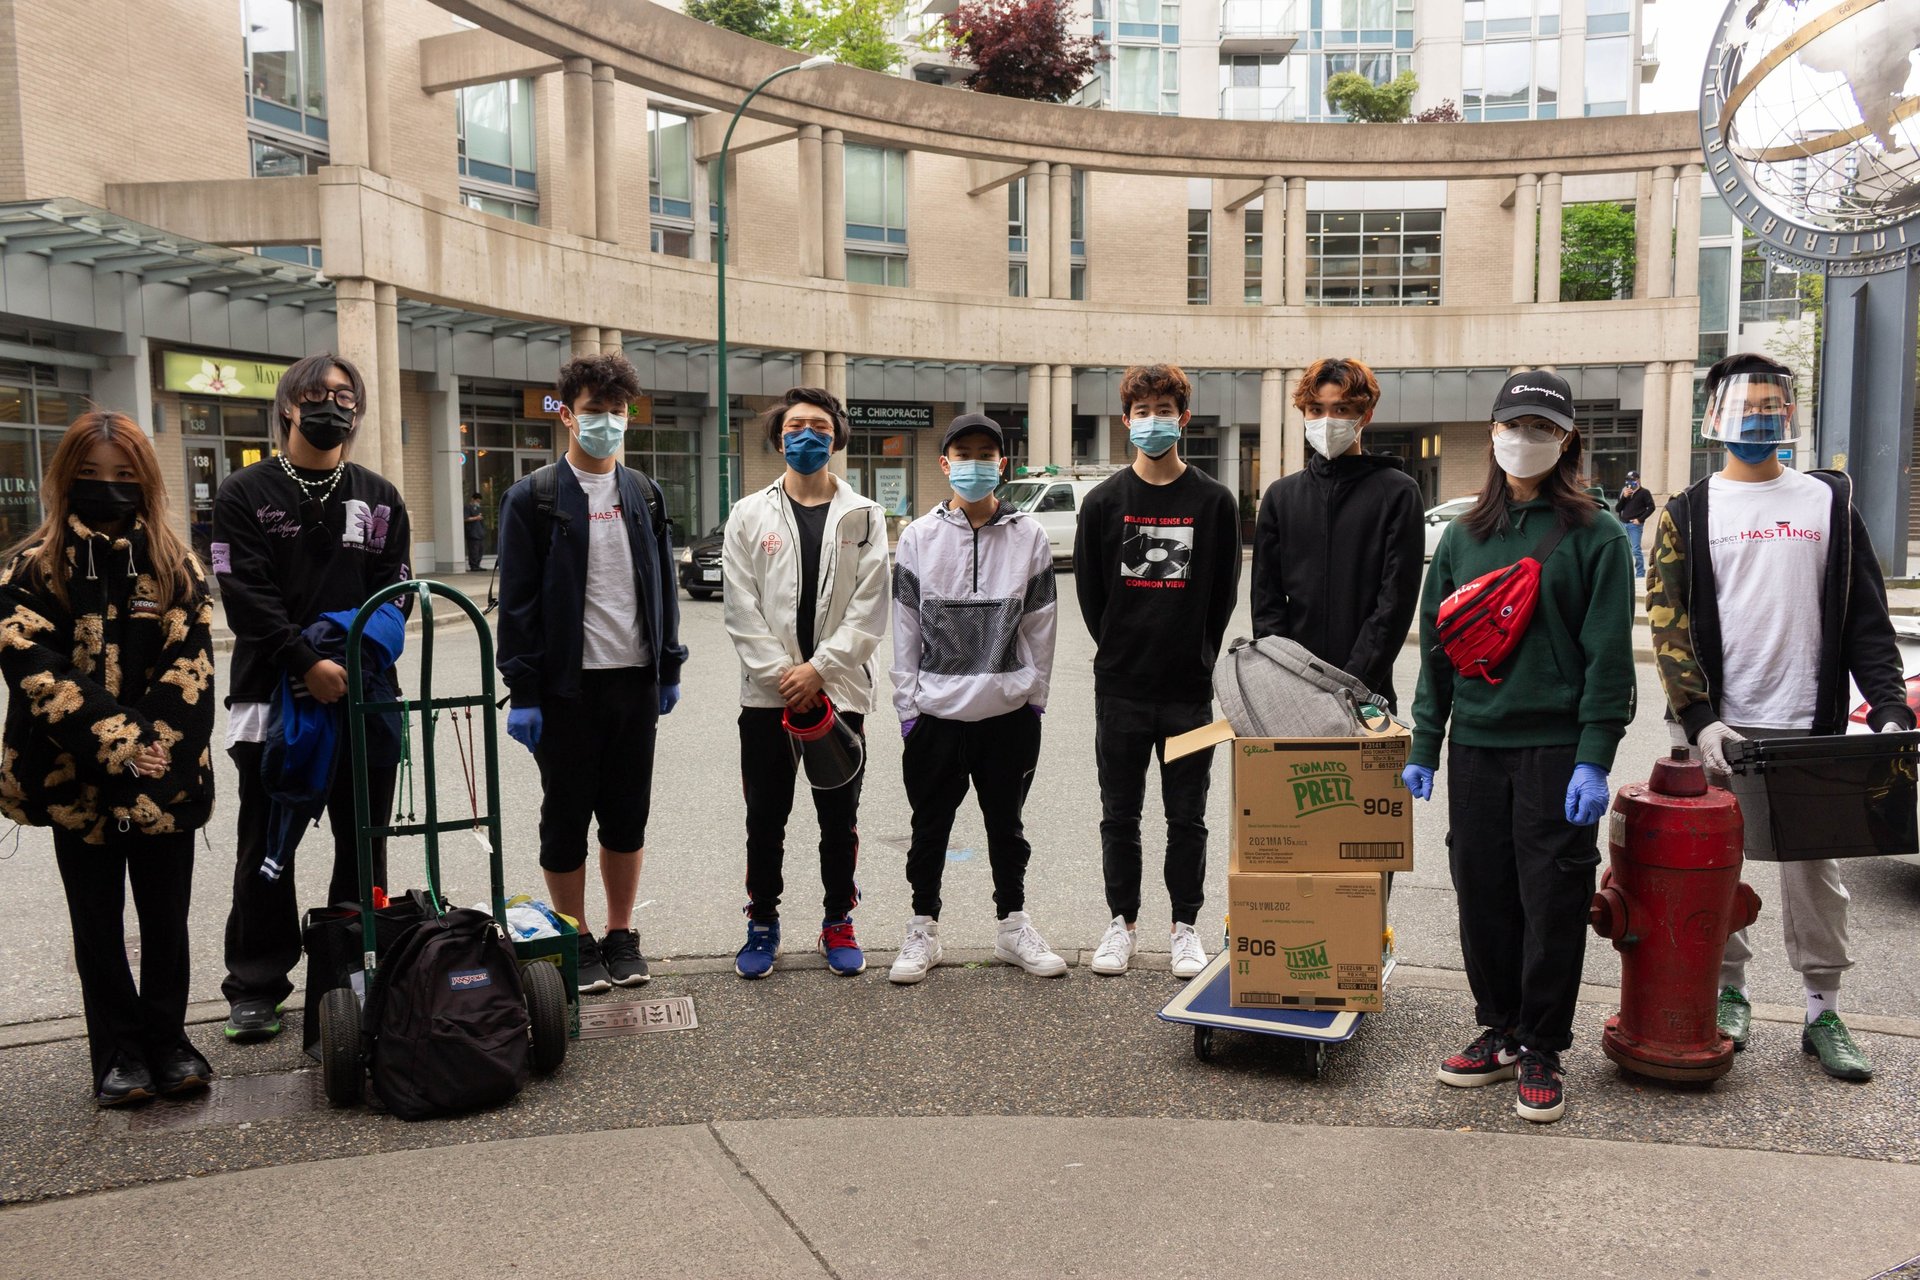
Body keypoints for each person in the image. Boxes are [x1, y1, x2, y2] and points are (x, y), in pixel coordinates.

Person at [1648, 352, 1912, 1082]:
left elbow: (1866, 617)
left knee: (1815, 880)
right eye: (1745, 405)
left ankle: (1823, 1009)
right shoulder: (1688, 511)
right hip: (1718, 732)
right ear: (1715, 417)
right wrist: (1697, 716)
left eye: (1772, 404)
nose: (1758, 417)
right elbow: (1667, 625)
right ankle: (1727, 994)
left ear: (1789, 414)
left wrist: (1887, 704)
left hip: (1811, 728)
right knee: (1715, 873)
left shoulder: (1829, 504)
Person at [1403, 369, 1634, 1125]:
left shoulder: (1595, 535)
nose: (1524, 440)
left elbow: (1608, 657)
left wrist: (1595, 753)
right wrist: (1425, 745)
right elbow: (1438, 652)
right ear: (1493, 432)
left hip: (1553, 751)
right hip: (1476, 744)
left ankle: (1542, 1043)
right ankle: (1497, 1030)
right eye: (1514, 425)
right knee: (1484, 894)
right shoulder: (1464, 536)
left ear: (1566, 439)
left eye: (1541, 428)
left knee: (1553, 899)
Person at [0, 413, 217, 1105]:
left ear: (146, 482)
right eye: (91, 475)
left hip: (166, 780)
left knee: (166, 919)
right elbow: (34, 668)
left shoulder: (175, 563)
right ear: (65, 479)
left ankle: (169, 1039)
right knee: (96, 924)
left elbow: (193, 667)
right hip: (74, 781)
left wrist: (152, 754)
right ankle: (117, 1052)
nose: (108, 488)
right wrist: (117, 742)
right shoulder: (31, 566)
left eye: (124, 476)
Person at [214, 353, 411, 1043]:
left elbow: (396, 594)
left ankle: (349, 975)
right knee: (267, 841)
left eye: (345, 393)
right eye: (317, 392)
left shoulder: (380, 495)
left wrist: (347, 661)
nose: (332, 403)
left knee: (365, 841)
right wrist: (303, 660)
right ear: (289, 405)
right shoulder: (242, 494)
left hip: (362, 696)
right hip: (271, 699)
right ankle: (256, 983)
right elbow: (244, 594)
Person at [496, 352, 685, 993]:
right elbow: (517, 602)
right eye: (591, 411)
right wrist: (523, 689)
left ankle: (621, 932)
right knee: (566, 814)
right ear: (567, 416)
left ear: (627, 416)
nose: (603, 422)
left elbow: (662, 586)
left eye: (614, 411)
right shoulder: (534, 498)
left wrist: (668, 666)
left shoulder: (645, 493)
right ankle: (573, 933)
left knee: (627, 813)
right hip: (563, 688)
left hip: (633, 680)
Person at [1074, 363, 1241, 980]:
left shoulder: (1213, 502)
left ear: (1183, 419)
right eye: (1140, 412)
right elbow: (1092, 596)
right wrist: (1120, 646)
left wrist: (1197, 655)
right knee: (1119, 813)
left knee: (1186, 817)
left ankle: (1184, 926)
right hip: (1119, 687)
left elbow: (1222, 591)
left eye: (1162, 410)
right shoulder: (1103, 502)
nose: (1152, 422)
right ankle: (1121, 922)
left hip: (1187, 692)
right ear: (1125, 421)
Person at [888, 415, 1063, 984]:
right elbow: (905, 627)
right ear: (944, 463)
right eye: (962, 453)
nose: (974, 462)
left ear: (1002, 464)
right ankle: (922, 929)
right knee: (928, 828)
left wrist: (1033, 699)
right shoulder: (917, 537)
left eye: (986, 453)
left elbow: (1041, 626)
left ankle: (1013, 926)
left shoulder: (1029, 536)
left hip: (1007, 716)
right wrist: (909, 711)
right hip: (936, 718)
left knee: (1006, 829)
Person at [723, 387, 889, 979]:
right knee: (765, 818)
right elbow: (740, 607)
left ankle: (837, 921)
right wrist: (785, 676)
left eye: (819, 426)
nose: (807, 436)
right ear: (778, 437)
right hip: (767, 698)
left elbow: (871, 609)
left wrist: (819, 671)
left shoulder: (864, 514)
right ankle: (762, 922)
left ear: (837, 436)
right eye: (795, 427)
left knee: (838, 817)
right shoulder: (748, 513)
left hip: (839, 694)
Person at [1251, 356, 1424, 709]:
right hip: (1295, 690)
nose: (1326, 420)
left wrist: (1355, 681)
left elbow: (1395, 601)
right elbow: (1266, 603)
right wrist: (1289, 673)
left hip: (1368, 692)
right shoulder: (1281, 496)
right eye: (1315, 409)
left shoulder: (1398, 493)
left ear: (1365, 415)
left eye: (1341, 408)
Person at [1617, 471, 1654, 579]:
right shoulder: (1624, 492)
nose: (1630, 482)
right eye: (1628, 480)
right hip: (1624, 524)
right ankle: (1625, 573)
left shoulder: (1644, 492)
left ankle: (1640, 573)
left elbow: (1651, 507)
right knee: (1624, 549)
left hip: (1635, 526)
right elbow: (1618, 508)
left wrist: (1640, 519)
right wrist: (1624, 497)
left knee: (1636, 549)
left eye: (1632, 480)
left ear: (1638, 480)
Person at [464, 491, 486, 572]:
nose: (478, 503)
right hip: (472, 533)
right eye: (477, 501)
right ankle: (473, 565)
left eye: (479, 501)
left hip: (479, 532)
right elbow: (465, 519)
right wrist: (476, 518)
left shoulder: (478, 508)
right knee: (474, 550)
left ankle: (478, 564)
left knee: (480, 550)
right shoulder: (467, 507)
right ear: (473, 499)